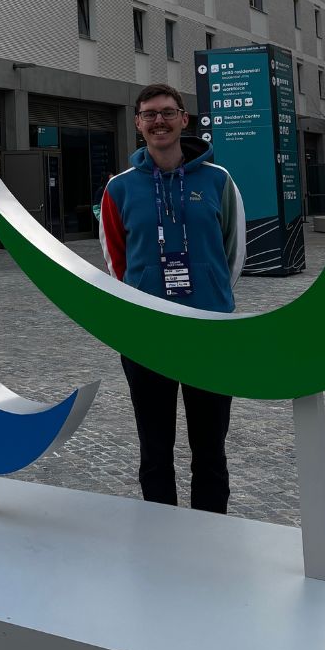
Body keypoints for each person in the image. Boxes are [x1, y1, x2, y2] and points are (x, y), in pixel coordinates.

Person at [98, 85, 245, 513]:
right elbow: (115, 260)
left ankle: (210, 529)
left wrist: (210, 295)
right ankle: (160, 535)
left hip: (209, 331)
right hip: (147, 334)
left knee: (211, 449)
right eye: (148, 115)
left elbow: (233, 251)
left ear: (184, 119)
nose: (158, 121)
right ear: (139, 125)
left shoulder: (219, 180)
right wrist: (144, 300)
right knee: (155, 448)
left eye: (166, 112)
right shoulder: (119, 189)